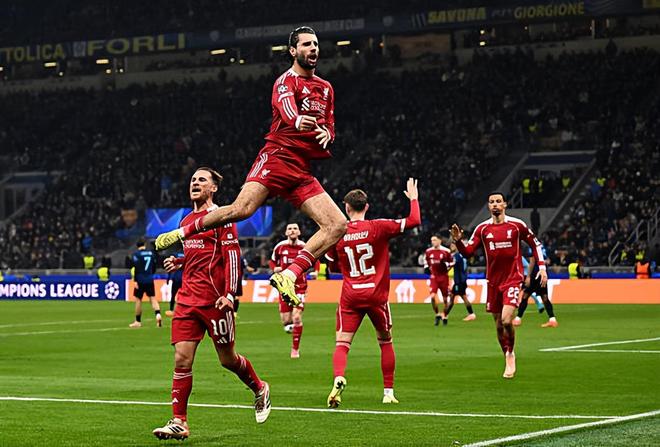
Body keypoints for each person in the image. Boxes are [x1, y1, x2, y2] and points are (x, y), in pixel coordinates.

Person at [155, 26, 346, 309]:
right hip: (277, 158)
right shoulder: (285, 81)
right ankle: (181, 233)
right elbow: (286, 109)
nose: (313, 48)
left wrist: (327, 134)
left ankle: (288, 275)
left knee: (337, 225)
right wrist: (297, 121)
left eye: (316, 44)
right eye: (306, 44)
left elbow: (329, 125)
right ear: (293, 51)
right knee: (241, 210)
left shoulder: (326, 88)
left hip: (301, 169)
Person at [153, 167, 270, 441]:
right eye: (193, 180)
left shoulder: (222, 217)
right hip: (187, 299)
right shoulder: (187, 219)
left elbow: (232, 256)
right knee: (182, 359)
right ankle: (179, 421)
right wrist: (180, 261)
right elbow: (200, 254)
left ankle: (259, 387)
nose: (195, 183)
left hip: (215, 300)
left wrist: (230, 294)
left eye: (201, 180)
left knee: (227, 359)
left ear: (213, 188)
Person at [325, 178, 420, 407]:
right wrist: (414, 199)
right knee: (385, 342)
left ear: (347, 208)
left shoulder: (338, 233)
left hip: (350, 296)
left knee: (342, 344)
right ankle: (388, 393)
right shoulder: (379, 226)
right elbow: (414, 220)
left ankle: (339, 377)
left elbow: (332, 267)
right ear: (366, 206)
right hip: (376, 295)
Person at [451, 192, 546, 379]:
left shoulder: (516, 225)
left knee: (506, 320)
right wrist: (458, 241)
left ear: (505, 205)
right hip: (493, 282)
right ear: (489, 206)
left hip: (512, 278)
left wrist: (542, 268)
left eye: (498, 201)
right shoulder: (482, 229)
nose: (495, 204)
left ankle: (511, 353)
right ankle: (506, 354)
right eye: (492, 202)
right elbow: (468, 252)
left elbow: (535, 244)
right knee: (498, 325)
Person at [270, 223, 312, 358]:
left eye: (295, 228)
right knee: (286, 321)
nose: (292, 231)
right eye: (289, 229)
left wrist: (315, 271)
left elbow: (315, 260)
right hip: (284, 287)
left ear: (299, 232)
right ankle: (293, 328)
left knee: (297, 317)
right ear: (286, 232)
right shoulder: (280, 247)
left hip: (300, 287)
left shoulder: (304, 247)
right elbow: (272, 261)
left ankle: (295, 350)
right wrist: (274, 268)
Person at [513, 247, 558, 328]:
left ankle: (517, 319)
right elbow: (548, 261)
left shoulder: (533, 247)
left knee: (525, 296)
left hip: (535, 275)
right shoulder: (542, 247)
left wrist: (528, 276)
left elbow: (532, 261)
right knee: (544, 297)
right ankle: (552, 320)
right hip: (543, 274)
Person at [126, 238, 161, 328]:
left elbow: (136, 267)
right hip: (149, 279)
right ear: (144, 244)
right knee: (152, 298)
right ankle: (158, 315)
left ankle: (138, 321)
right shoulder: (151, 254)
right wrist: (150, 274)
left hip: (140, 279)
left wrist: (135, 280)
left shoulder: (136, 254)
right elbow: (154, 266)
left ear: (137, 246)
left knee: (138, 300)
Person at [423, 235, 454, 326]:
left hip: (444, 277)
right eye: (432, 240)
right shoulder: (428, 251)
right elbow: (427, 262)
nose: (433, 242)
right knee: (432, 296)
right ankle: (437, 314)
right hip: (434, 277)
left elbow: (452, 262)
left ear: (440, 241)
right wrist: (427, 268)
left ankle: (445, 315)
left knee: (445, 299)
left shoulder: (446, 251)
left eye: (435, 240)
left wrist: (446, 265)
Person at [449, 242, 476, 322]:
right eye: (451, 245)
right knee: (452, 296)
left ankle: (471, 314)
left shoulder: (457, 256)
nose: (451, 247)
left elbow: (451, 264)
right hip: (462, 279)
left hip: (459, 280)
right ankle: (445, 314)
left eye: (453, 245)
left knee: (463, 297)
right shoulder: (463, 255)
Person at [165, 252, 184, 317]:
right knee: (184, 296)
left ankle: (171, 309)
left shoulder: (175, 255)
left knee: (173, 295)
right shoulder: (186, 254)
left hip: (176, 279)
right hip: (183, 279)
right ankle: (183, 310)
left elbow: (171, 267)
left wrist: (168, 279)